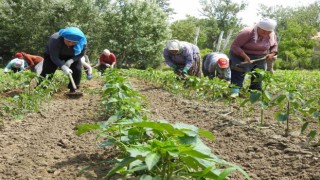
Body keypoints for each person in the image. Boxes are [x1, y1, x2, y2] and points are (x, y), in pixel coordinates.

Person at [229, 18, 278, 96]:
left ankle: (254, 94)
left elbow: (274, 46)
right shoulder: (247, 32)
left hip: (260, 56)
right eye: (263, 31)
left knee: (258, 75)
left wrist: (271, 54)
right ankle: (234, 93)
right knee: (238, 73)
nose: (265, 33)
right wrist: (244, 56)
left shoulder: (271, 35)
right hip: (240, 55)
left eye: (268, 32)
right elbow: (235, 46)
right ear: (258, 27)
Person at [40, 27, 87, 93]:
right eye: (68, 41)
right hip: (52, 54)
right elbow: (54, 57)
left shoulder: (82, 42)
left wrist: (71, 60)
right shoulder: (55, 40)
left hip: (72, 55)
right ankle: (42, 89)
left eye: (73, 43)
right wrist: (63, 66)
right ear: (64, 38)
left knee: (77, 69)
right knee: (48, 70)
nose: (70, 44)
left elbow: (81, 54)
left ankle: (73, 88)